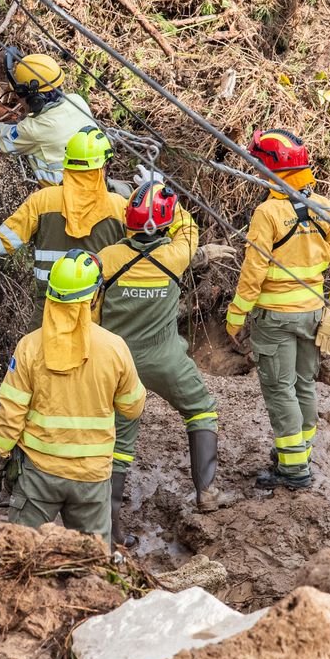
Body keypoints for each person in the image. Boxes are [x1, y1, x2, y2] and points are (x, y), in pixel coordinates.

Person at [0, 249, 145, 546]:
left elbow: (11, 415)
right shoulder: (115, 348)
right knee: (94, 565)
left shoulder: (29, 347)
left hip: (38, 475)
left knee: (17, 556)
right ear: (94, 296)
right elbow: (133, 407)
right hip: (92, 478)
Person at [225, 129, 330, 490]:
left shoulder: (267, 212)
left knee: (280, 390)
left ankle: (294, 470)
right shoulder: (323, 206)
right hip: (313, 314)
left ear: (269, 167)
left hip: (275, 319)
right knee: (304, 386)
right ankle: (298, 451)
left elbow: (254, 270)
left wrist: (236, 315)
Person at [0, 128, 194, 306]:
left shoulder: (42, 201)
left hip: (47, 308)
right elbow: (147, 254)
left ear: (68, 164)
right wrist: (158, 193)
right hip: (94, 313)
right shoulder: (120, 207)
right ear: (103, 167)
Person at [96, 183, 221, 542]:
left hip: (119, 362)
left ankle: (112, 530)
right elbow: (189, 229)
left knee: (119, 443)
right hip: (166, 358)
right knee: (201, 409)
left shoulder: (108, 258)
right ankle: (207, 494)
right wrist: (165, 193)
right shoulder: (175, 256)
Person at [0, 49, 94, 185]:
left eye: (19, 95)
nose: (18, 100)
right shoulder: (77, 101)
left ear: (35, 100)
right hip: (93, 184)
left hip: (64, 199)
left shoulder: (35, 130)